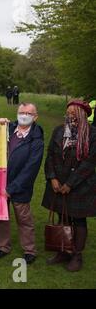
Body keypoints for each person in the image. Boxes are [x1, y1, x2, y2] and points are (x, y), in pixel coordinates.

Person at [42, 100, 96, 272]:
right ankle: (64, 251)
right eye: (68, 112)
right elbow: (50, 155)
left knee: (78, 219)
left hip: (80, 185)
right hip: (57, 183)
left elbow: (89, 163)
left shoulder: (92, 133)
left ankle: (77, 255)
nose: (70, 115)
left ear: (83, 114)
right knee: (63, 217)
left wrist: (70, 184)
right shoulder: (59, 131)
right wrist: (52, 178)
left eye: (74, 112)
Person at [0, 102, 44, 265]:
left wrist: (12, 188)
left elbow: (31, 168)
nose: (24, 115)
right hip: (0, 183)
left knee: (24, 219)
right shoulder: (7, 129)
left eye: (29, 113)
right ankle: (3, 246)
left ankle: (29, 250)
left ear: (35, 117)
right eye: (21, 112)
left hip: (20, 186)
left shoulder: (36, 138)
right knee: (1, 218)